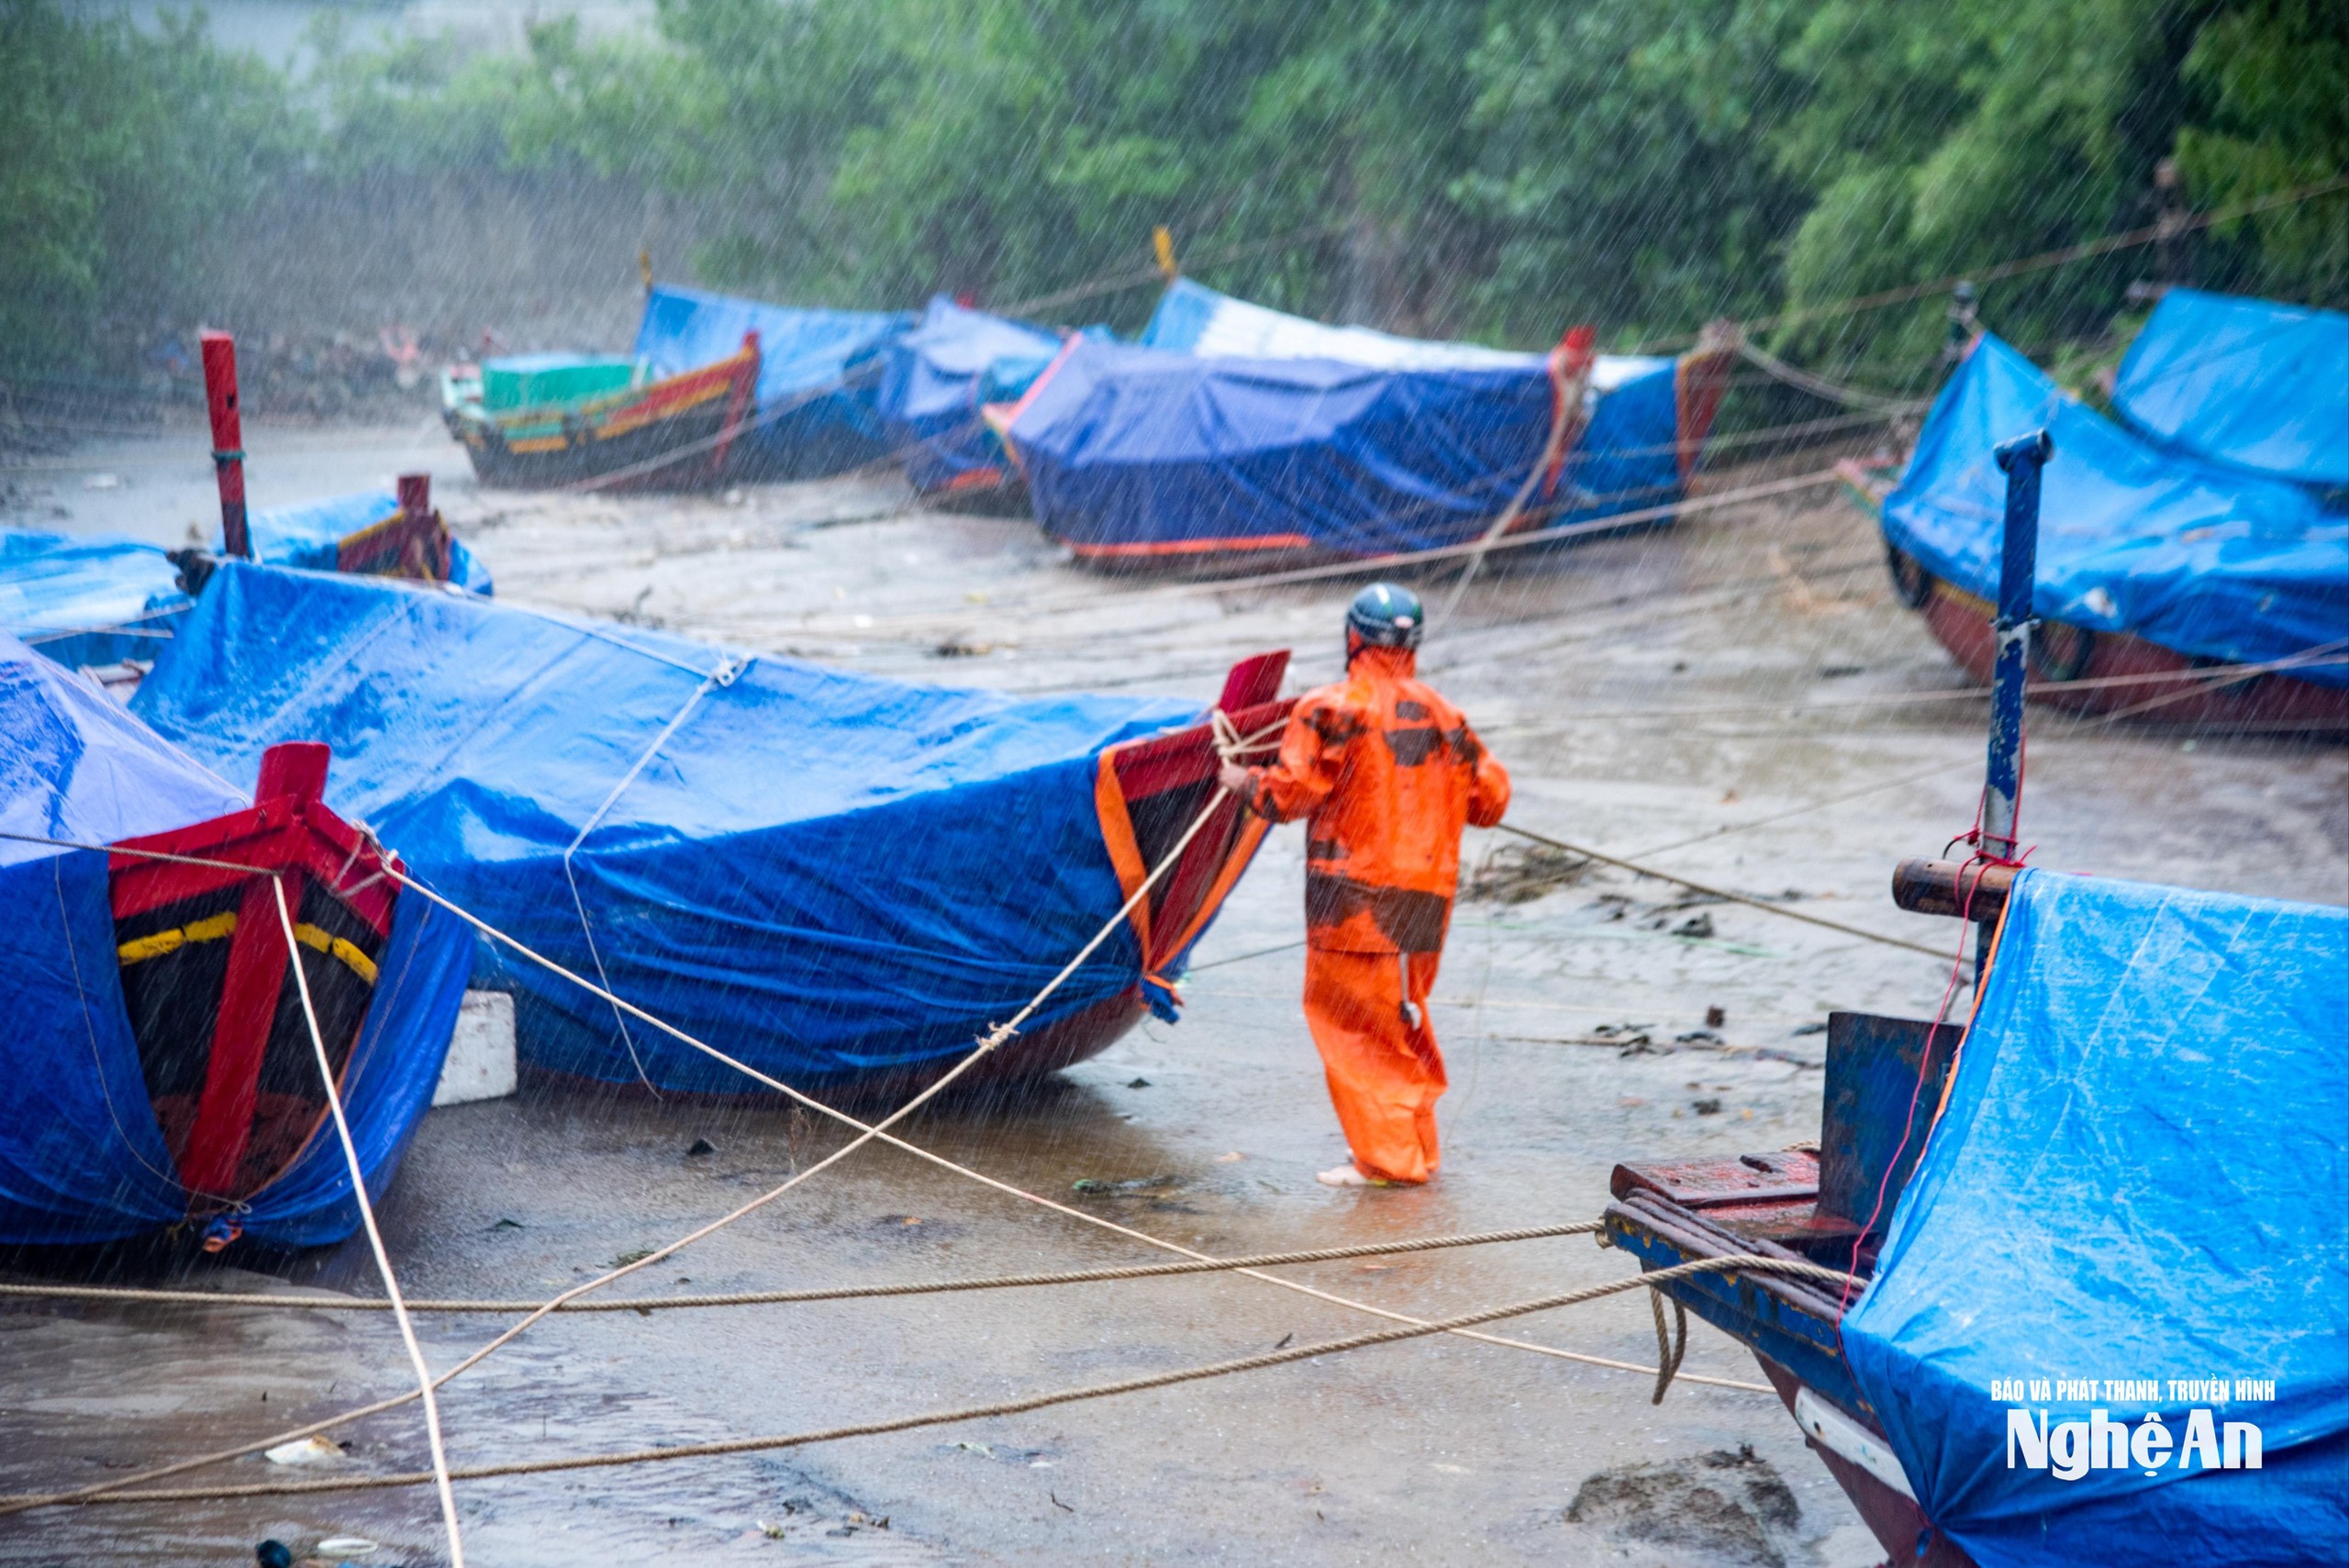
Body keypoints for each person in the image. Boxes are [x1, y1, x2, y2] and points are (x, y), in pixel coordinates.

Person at [1218, 583, 1510, 1186]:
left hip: (1351, 900)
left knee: (1356, 1031)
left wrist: (1238, 778)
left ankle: (1387, 1162)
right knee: (1403, 1021)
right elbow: (1492, 800)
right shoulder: (1446, 715)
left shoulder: (1329, 708)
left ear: (1353, 638)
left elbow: (1290, 793)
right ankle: (1416, 1150)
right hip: (1427, 901)